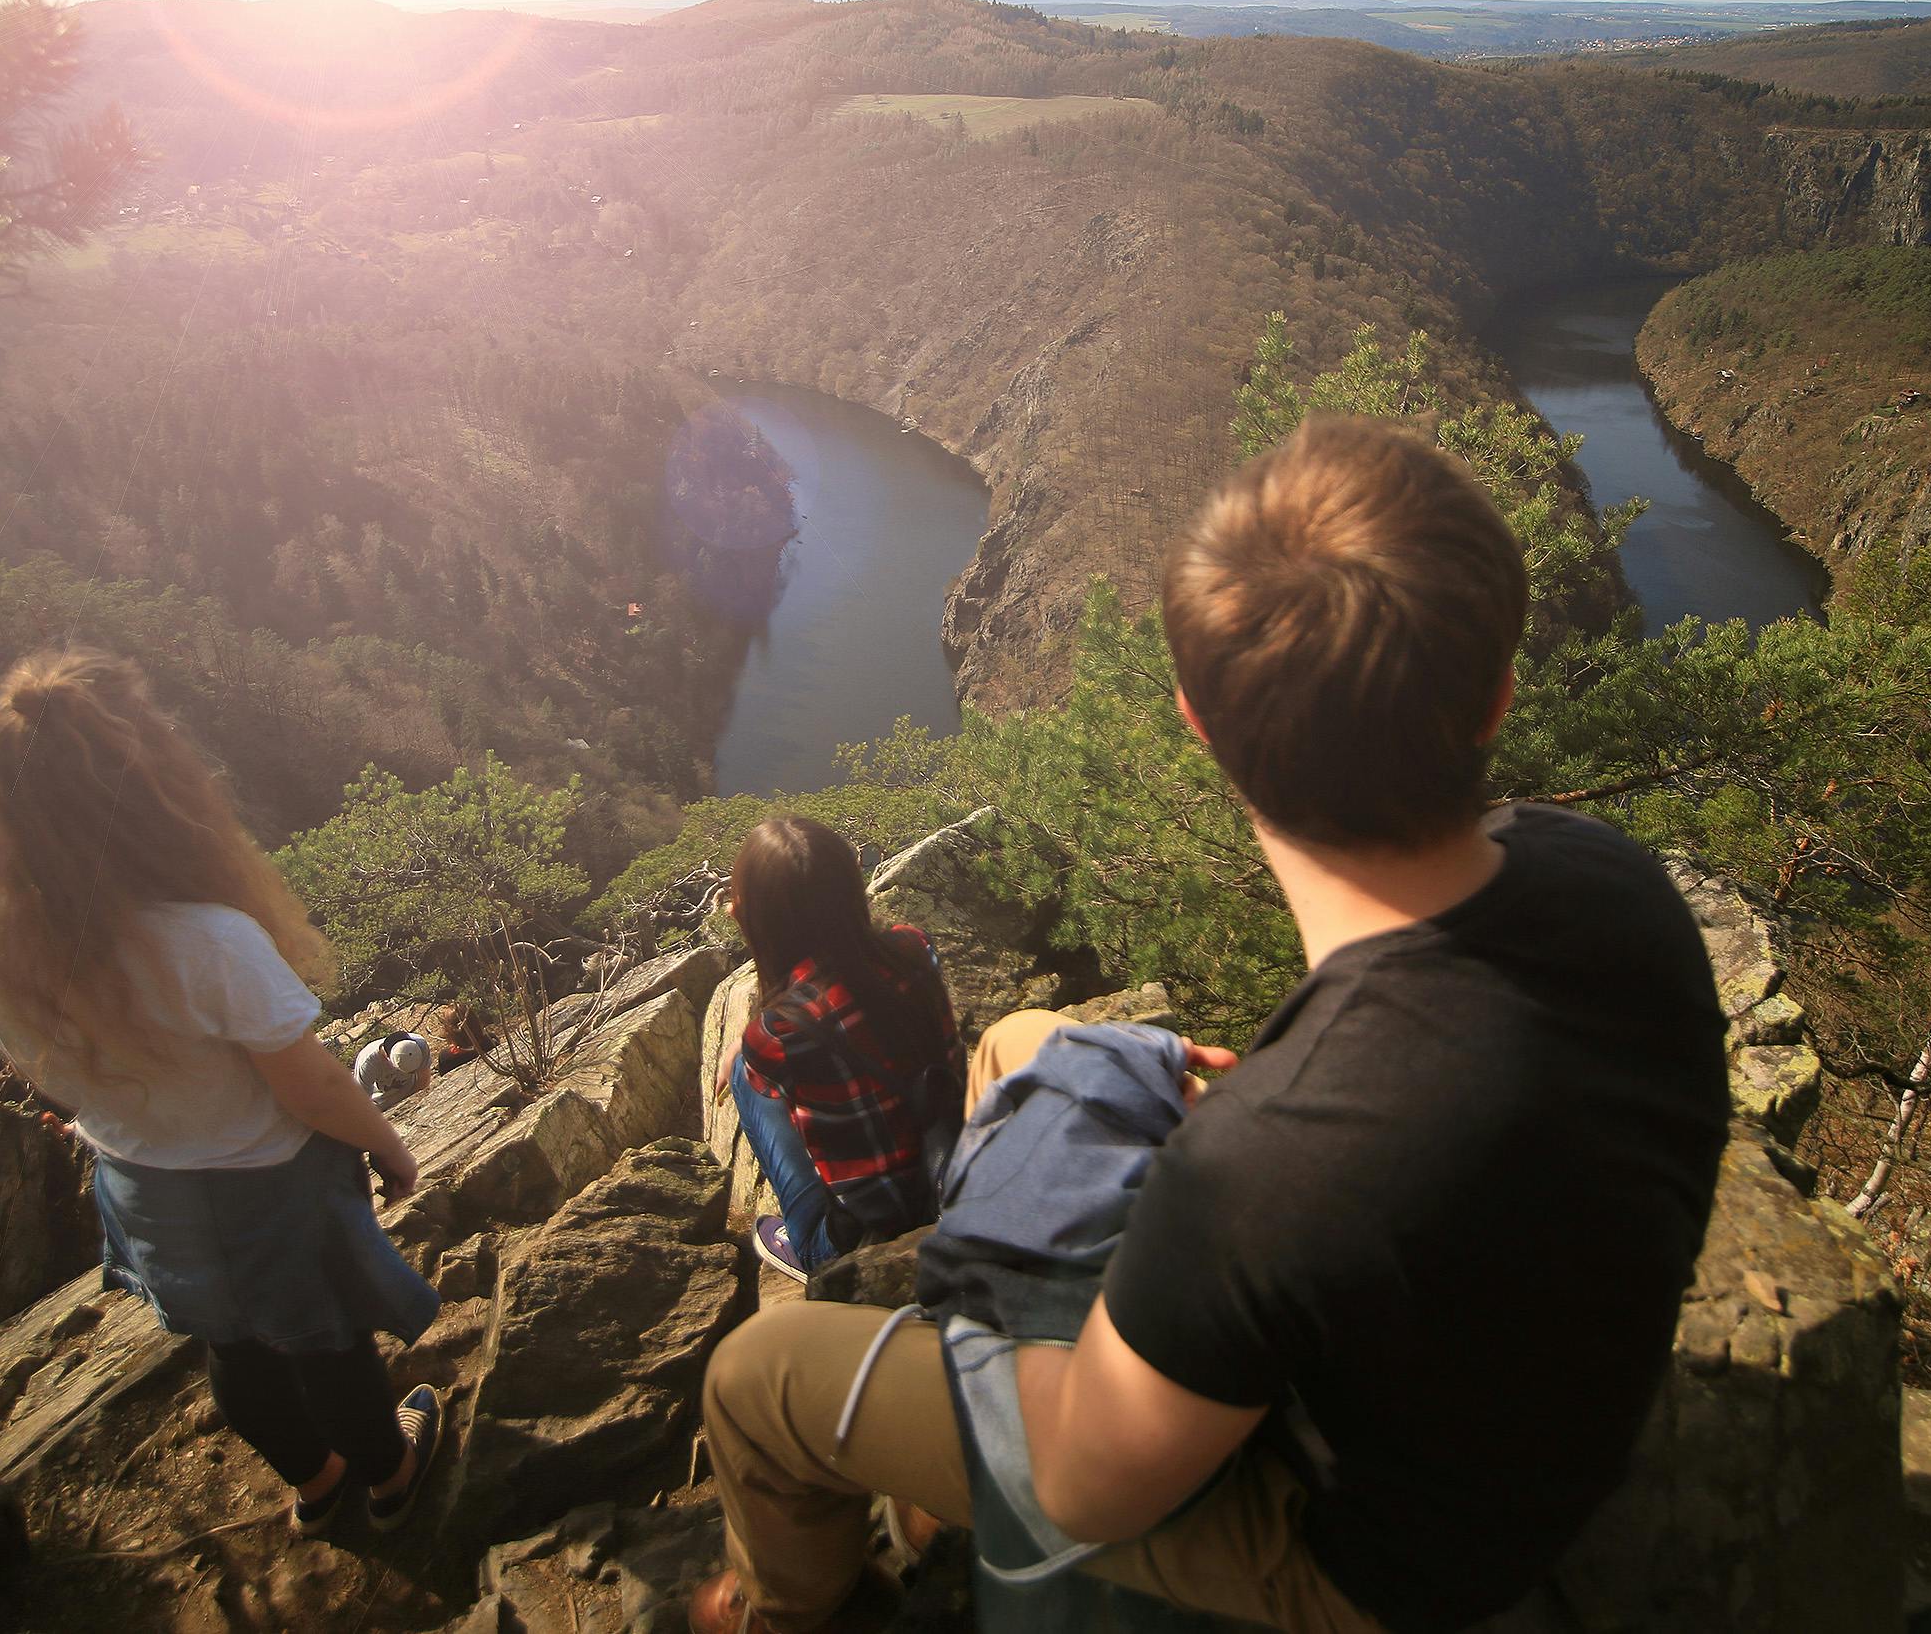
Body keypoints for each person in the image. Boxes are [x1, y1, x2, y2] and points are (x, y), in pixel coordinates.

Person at [690, 417, 1732, 1633]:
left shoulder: (1269, 1170)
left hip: (1375, 1564)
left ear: (1199, 725)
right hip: (1503, 1386)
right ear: (1496, 687)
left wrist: (992, 1340)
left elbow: (1082, 1477)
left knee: (753, 1379)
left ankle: (802, 1603)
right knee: (1022, 1040)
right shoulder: (1614, 881)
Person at [0, 648, 449, 1539]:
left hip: (142, 1186)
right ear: (151, 788)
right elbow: (315, 1085)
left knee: (235, 1348)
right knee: (329, 1342)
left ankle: (319, 1481)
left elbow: (34, 1068)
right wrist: (388, 1142)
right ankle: (393, 1472)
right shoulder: (205, 941)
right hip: (272, 1185)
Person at [711, 816, 963, 1283]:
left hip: (864, 1230)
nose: (731, 909)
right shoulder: (913, 947)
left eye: (737, 898)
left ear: (763, 918)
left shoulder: (779, 1031)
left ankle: (808, 1248)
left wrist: (744, 1052)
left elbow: (793, 1068)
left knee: (746, 1072)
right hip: (946, 1175)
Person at [353, 1030, 434, 1111]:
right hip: (381, 1101)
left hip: (412, 1090)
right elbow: (362, 1101)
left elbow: (423, 1080)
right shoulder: (367, 1064)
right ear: (388, 1060)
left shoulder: (421, 1045)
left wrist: (412, 1101)